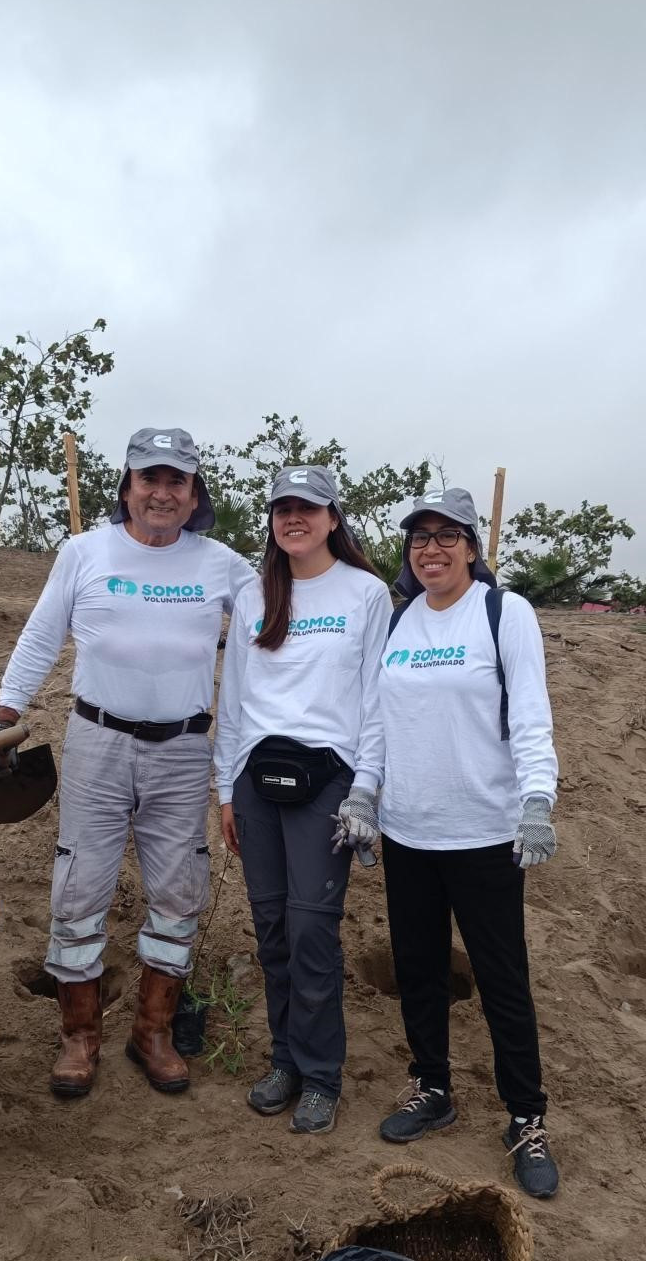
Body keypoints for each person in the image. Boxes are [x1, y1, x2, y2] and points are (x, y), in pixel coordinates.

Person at [0, 428, 256, 1099]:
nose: (162, 493)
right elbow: (43, 632)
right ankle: (79, 1037)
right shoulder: (84, 552)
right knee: (81, 883)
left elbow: (280, 622)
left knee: (178, 888)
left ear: (195, 493)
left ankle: (152, 1030)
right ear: (127, 487)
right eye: (150, 479)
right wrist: (6, 712)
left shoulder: (222, 564)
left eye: (177, 481)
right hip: (97, 743)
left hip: (183, 749)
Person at [372, 487, 561, 1199]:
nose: (432, 548)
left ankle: (526, 1117)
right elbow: (377, 724)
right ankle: (433, 1087)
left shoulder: (503, 612)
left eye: (447, 534)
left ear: (472, 546)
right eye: (419, 536)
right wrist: (366, 794)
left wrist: (537, 799)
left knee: (502, 979)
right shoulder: (398, 623)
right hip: (409, 831)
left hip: (485, 833)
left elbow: (533, 715)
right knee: (418, 969)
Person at [215, 466, 391, 1135]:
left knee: (313, 928)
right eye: (282, 508)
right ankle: (284, 1058)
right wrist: (224, 788)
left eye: (307, 508)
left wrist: (365, 791)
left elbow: (375, 703)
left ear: (332, 517)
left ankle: (321, 1074)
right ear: (271, 519)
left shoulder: (366, 594)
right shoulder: (257, 594)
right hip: (257, 785)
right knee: (271, 930)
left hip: (330, 785)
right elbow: (232, 700)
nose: (294, 518)